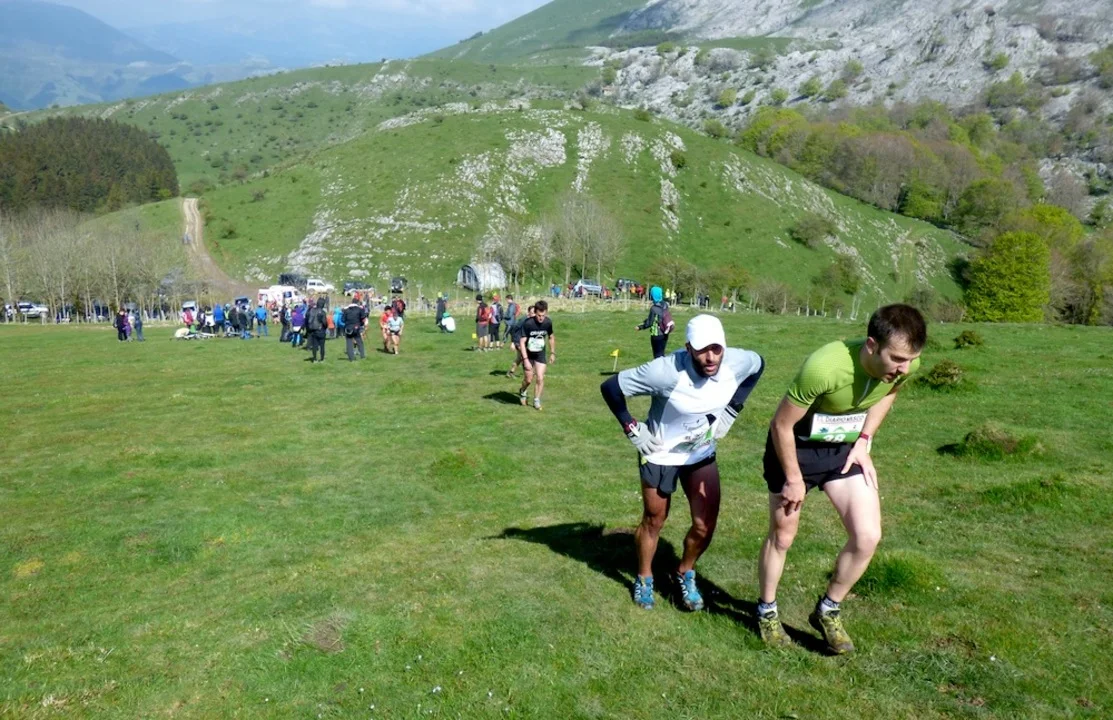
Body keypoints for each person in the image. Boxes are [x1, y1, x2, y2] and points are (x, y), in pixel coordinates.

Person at [757, 304, 925, 654]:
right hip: (794, 447)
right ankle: (767, 612)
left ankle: (828, 609)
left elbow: (889, 394)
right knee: (783, 535)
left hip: (842, 448)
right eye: (897, 359)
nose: (905, 368)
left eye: (910, 360)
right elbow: (781, 425)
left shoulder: (905, 366)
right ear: (871, 345)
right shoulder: (825, 366)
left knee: (867, 536)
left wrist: (864, 440)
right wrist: (794, 478)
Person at [600, 314, 764, 611]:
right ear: (688, 348)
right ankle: (645, 577)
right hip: (660, 452)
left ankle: (684, 572)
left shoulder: (737, 362)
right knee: (654, 520)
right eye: (702, 350)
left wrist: (733, 409)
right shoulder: (664, 372)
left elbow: (758, 365)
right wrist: (632, 428)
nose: (710, 357)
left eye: (716, 348)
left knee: (705, 524)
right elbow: (611, 387)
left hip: (700, 452)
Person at [517, 300, 555, 410]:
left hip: (540, 354)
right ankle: (523, 390)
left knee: (540, 377)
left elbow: (551, 337)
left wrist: (552, 353)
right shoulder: (528, 323)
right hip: (528, 355)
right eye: (539, 315)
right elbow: (522, 342)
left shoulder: (548, 322)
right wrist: (525, 359)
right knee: (528, 379)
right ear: (535, 312)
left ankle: (536, 400)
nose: (541, 318)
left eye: (543, 315)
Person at [636, 286, 674, 359]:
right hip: (665, 332)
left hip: (656, 334)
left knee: (657, 356)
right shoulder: (665, 305)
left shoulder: (654, 308)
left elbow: (650, 322)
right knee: (662, 354)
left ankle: (659, 366)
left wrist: (640, 327)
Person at [506, 305, 534, 379]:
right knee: (525, 356)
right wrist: (513, 342)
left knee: (520, 358)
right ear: (528, 312)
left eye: (535, 312)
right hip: (518, 341)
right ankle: (528, 372)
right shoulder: (523, 320)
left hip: (524, 341)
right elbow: (514, 329)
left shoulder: (532, 320)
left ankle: (511, 372)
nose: (534, 314)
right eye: (532, 312)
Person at [342, 297, 368, 361]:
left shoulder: (346, 310)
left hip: (348, 328)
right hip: (356, 328)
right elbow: (363, 318)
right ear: (357, 303)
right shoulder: (360, 309)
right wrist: (361, 324)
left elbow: (343, 320)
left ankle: (351, 358)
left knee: (349, 343)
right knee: (359, 342)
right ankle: (362, 355)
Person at [304, 298, 329, 362]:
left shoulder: (312, 310)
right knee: (322, 346)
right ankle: (322, 359)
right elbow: (324, 322)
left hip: (313, 330)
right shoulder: (322, 312)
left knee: (315, 345)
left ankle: (315, 359)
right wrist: (326, 327)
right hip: (321, 330)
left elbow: (307, 318)